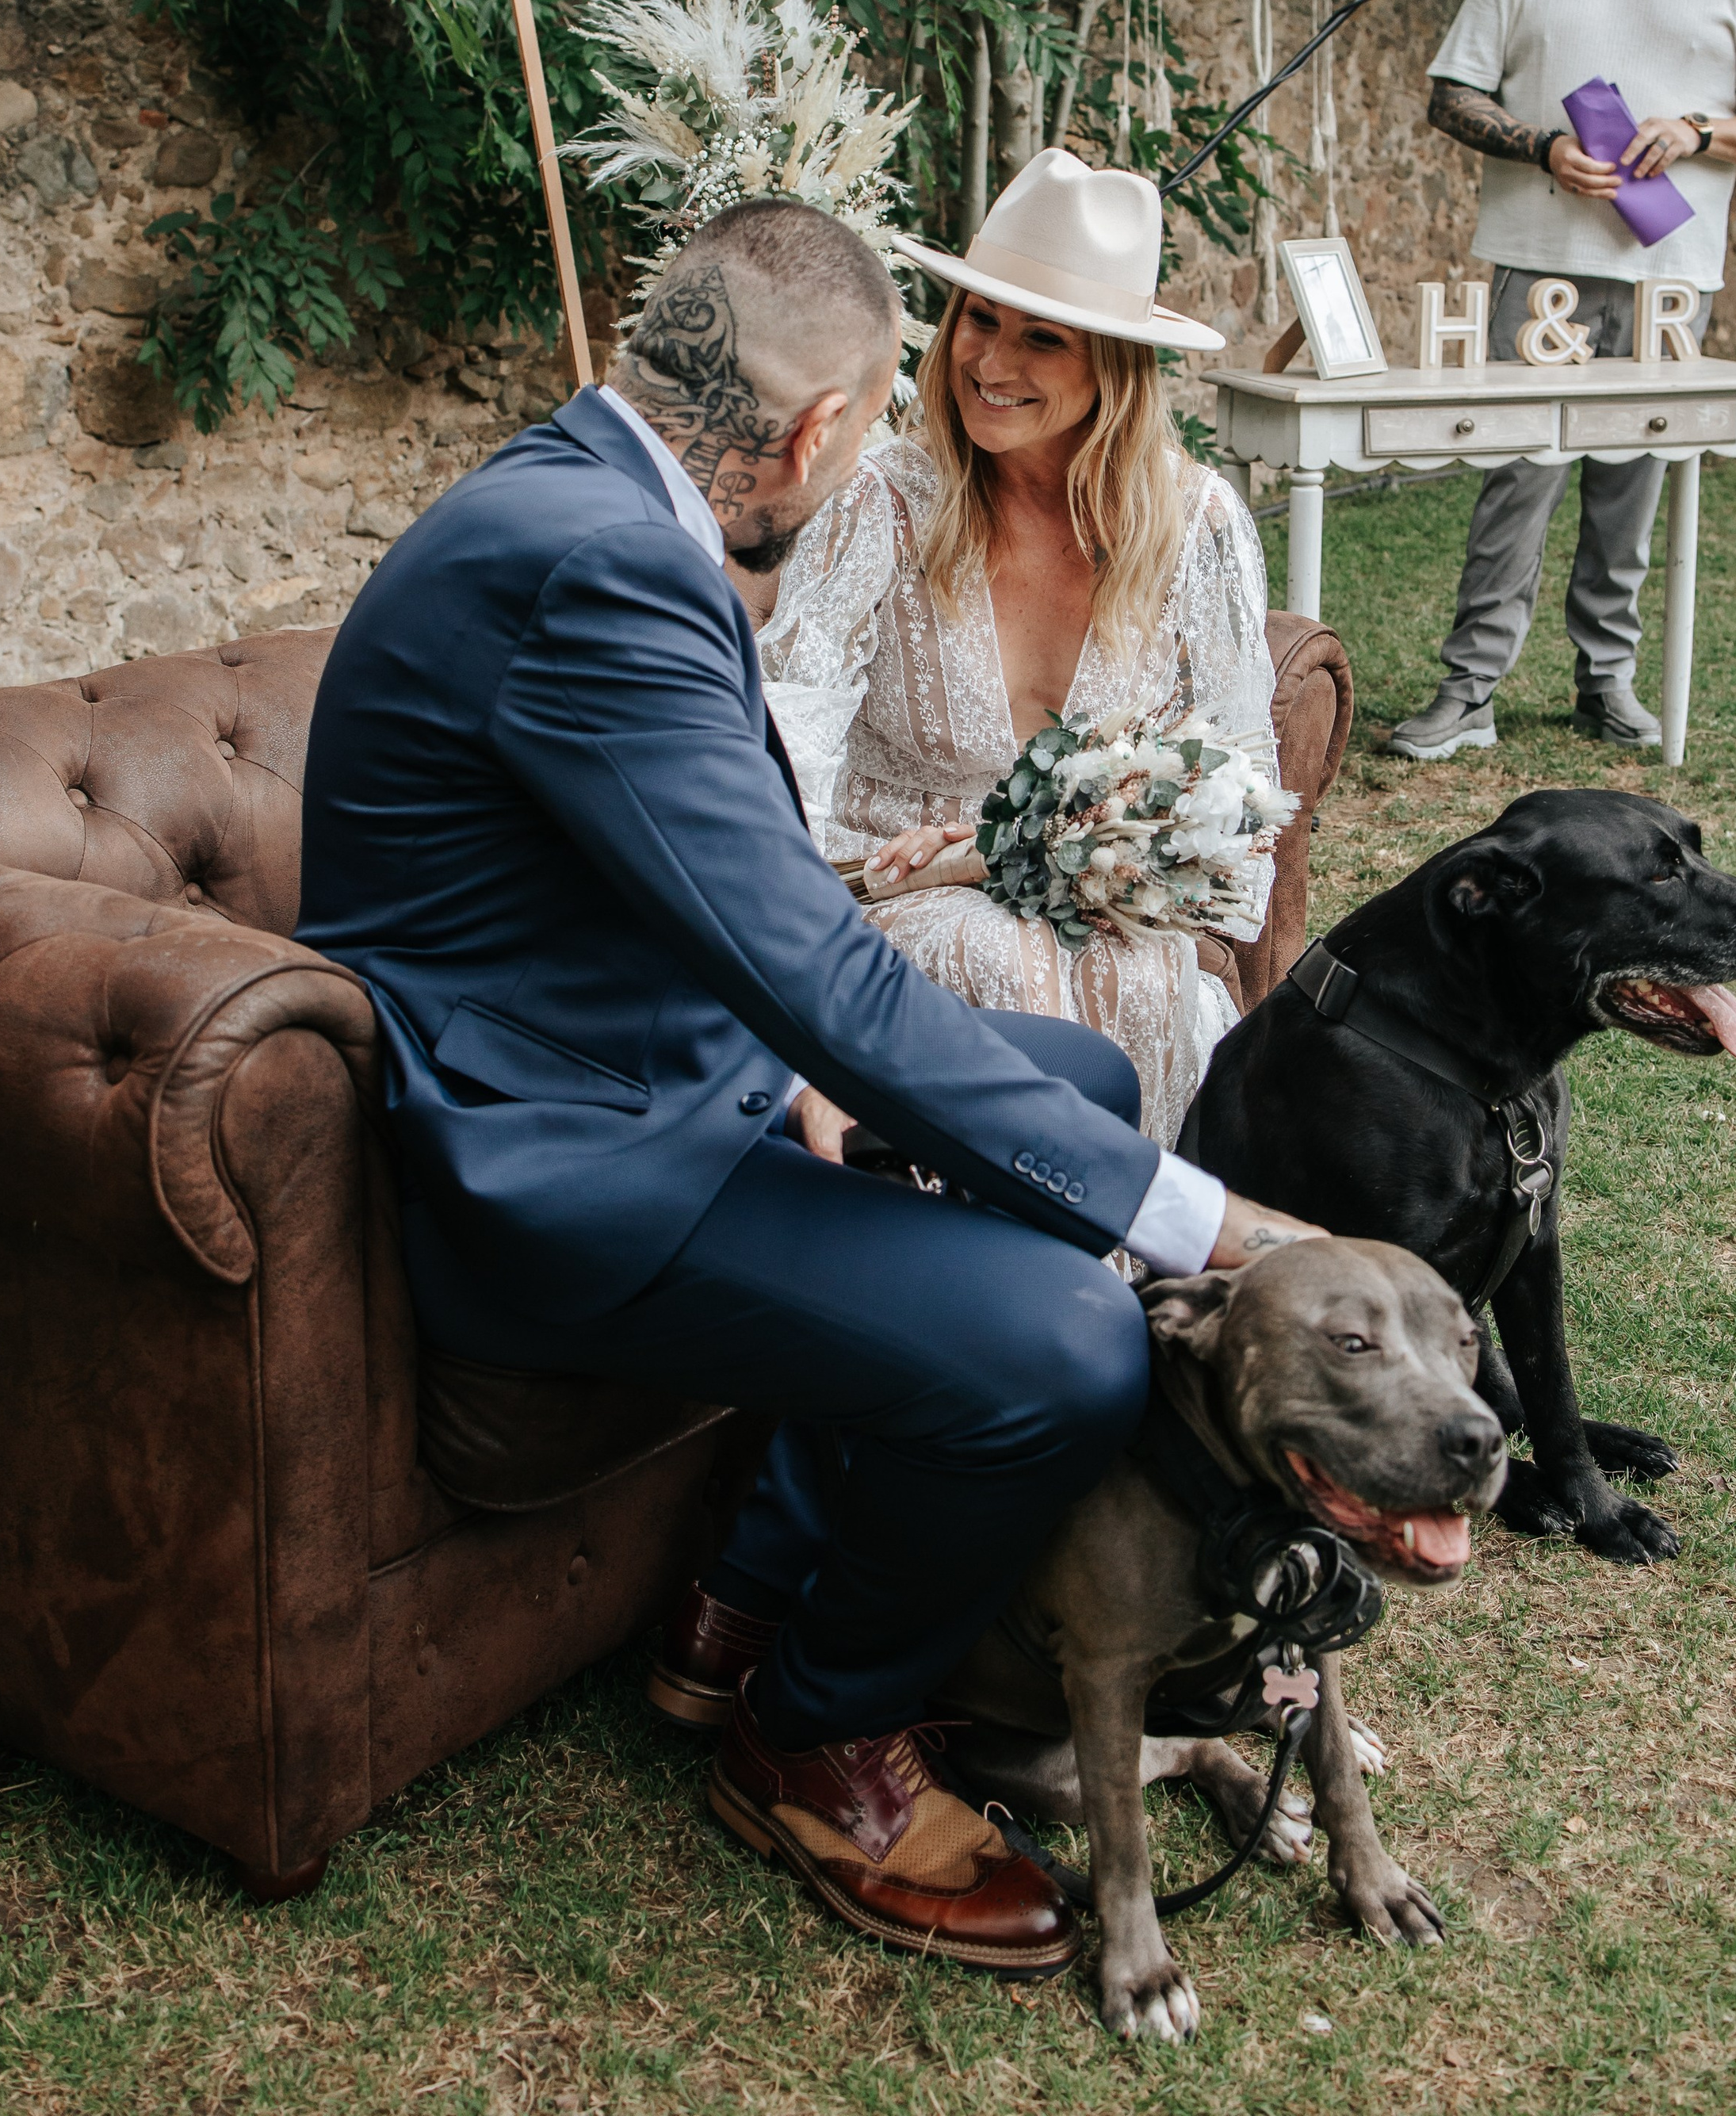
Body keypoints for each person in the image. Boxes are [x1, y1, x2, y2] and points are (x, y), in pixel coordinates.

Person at [294, 194, 1313, 1979]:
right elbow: (814, 964)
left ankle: (746, 1595)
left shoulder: (578, 505)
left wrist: (787, 1067)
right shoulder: (603, 569)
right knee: (1074, 1346)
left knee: (1076, 1071)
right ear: (820, 425)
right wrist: (1207, 1222)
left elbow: (689, 893)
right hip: (568, 1172)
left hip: (653, 1072)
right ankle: (817, 1734)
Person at [758, 147, 1272, 1149]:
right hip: (887, 882)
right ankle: (1024, 1238)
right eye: (979, 320)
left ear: (1112, 366)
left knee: (1136, 972)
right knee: (1000, 956)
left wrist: (1009, 850)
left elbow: (1237, 805)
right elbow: (789, 746)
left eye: (1042, 338)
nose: (990, 364)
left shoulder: (1195, 524)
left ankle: (1117, 1241)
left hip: (1099, 895)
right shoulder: (882, 503)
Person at [1388, 0, 1736, 759]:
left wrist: (1697, 131)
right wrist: (1543, 147)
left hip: (1670, 274)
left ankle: (1606, 684)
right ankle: (1470, 690)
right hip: (1542, 260)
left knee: (1634, 481)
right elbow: (1450, 93)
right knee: (1518, 474)